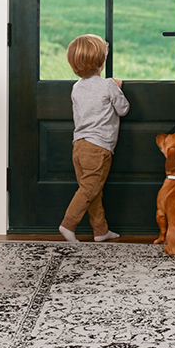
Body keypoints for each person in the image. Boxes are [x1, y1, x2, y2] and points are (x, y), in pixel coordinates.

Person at [59, 34, 129, 242]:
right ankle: (68, 224)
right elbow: (123, 109)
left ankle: (100, 230)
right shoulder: (108, 85)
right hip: (98, 147)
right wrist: (118, 88)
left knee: (93, 190)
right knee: (89, 189)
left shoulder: (77, 87)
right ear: (102, 62)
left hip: (79, 145)